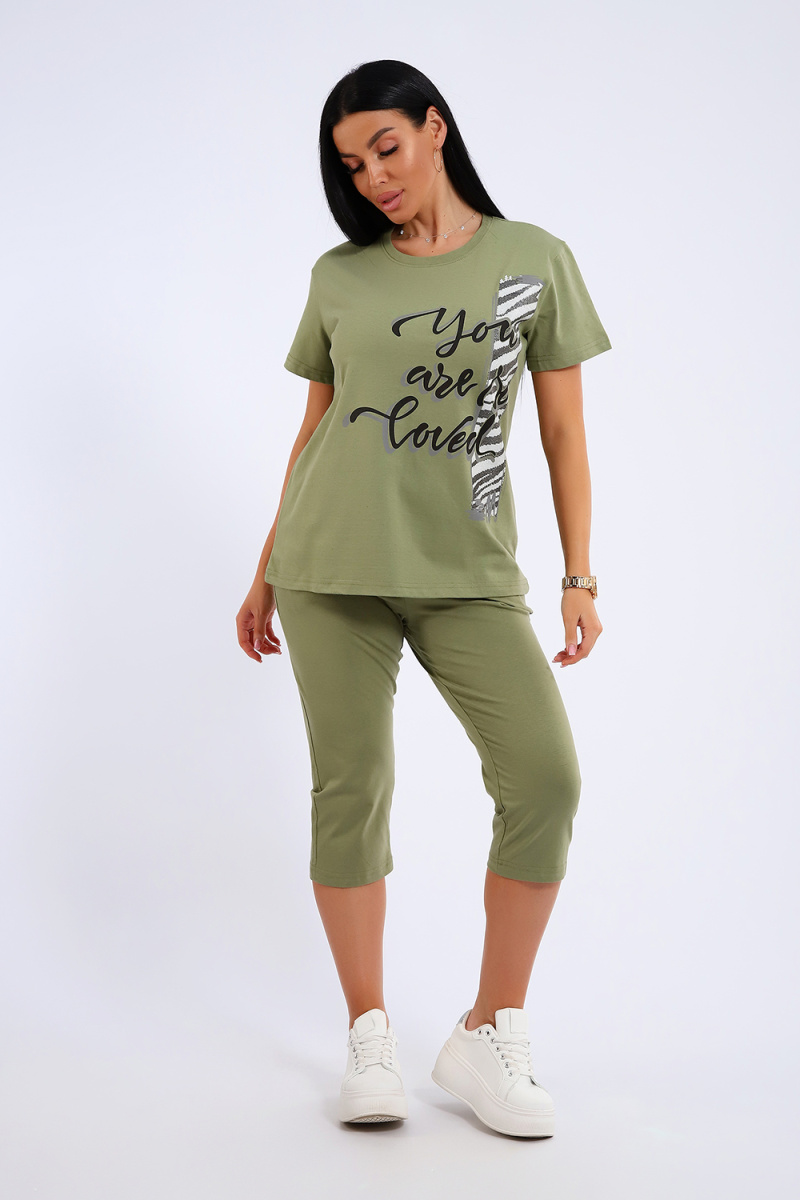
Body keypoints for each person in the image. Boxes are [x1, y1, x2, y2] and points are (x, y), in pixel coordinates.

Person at [235, 59, 611, 1138]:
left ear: (434, 128)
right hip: (328, 569)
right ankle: (368, 1032)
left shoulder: (530, 260)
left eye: (385, 148)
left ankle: (489, 1028)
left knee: (543, 779)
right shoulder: (340, 275)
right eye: (352, 165)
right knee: (351, 790)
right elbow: (315, 428)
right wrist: (265, 565)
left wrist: (579, 575)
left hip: (466, 573)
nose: (372, 177)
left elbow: (562, 433)